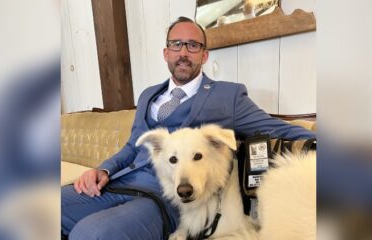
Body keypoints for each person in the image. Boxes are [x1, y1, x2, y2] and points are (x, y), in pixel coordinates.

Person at [61, 16, 316, 240]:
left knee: (90, 233)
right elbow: (132, 146)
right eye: (176, 44)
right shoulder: (149, 95)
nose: (184, 52)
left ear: (204, 55)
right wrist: (103, 169)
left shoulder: (227, 96)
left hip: (167, 197)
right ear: (166, 53)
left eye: (193, 45)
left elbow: (275, 128)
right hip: (119, 183)